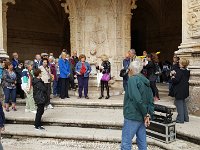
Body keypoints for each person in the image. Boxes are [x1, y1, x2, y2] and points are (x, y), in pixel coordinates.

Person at [121, 61, 154, 150]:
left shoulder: (133, 79)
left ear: (131, 70)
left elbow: (137, 99)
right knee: (142, 142)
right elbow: (150, 99)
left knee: (126, 142)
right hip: (142, 116)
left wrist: (145, 114)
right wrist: (147, 114)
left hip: (133, 115)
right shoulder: (145, 80)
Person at [171, 58, 190, 124]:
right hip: (185, 89)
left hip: (179, 90)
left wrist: (173, 76)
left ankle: (180, 119)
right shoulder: (187, 71)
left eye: (180, 62)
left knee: (179, 104)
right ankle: (186, 118)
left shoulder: (179, 71)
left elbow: (176, 80)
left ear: (182, 64)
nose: (178, 63)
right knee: (183, 104)